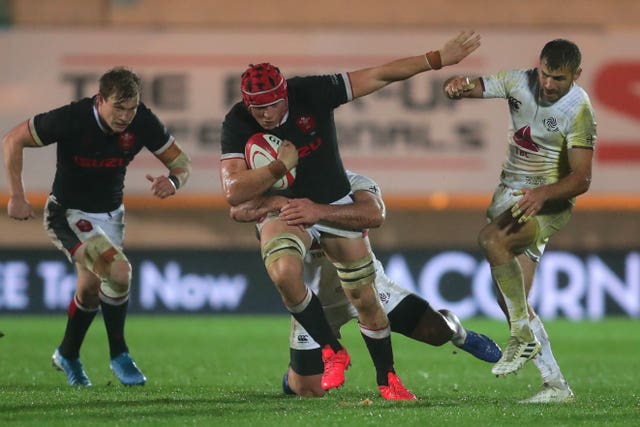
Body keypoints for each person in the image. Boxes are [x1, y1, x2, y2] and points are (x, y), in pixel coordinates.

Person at [220, 31, 481, 400]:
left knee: (426, 328)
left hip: (336, 239)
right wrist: (278, 171)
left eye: (273, 105)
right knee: (306, 386)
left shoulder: (319, 108)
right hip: (313, 288)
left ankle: (445, 339)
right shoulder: (238, 124)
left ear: (286, 95)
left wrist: (436, 58)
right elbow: (235, 198)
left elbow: (378, 75)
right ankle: (330, 351)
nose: (266, 115)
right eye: (256, 108)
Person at [230, 170, 502, 397]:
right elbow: (239, 209)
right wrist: (279, 203)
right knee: (308, 389)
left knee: (437, 333)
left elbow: (374, 214)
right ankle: (294, 377)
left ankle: (460, 334)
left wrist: (317, 211)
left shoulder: (351, 183)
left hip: (368, 285)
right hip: (316, 302)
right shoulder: (281, 196)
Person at [2, 66, 192, 386]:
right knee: (119, 271)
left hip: (111, 216)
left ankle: (67, 354)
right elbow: (12, 139)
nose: (125, 117)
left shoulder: (142, 121)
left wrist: (172, 181)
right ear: (100, 99)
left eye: (131, 109)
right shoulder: (72, 118)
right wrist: (17, 195)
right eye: (119, 107)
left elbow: (181, 164)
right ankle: (120, 353)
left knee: (90, 290)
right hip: (68, 214)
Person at [443, 39, 596, 403]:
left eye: (558, 78)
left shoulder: (579, 109)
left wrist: (543, 194)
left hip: (547, 204)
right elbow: (477, 86)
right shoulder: (519, 81)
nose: (548, 84)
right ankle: (556, 385)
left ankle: (521, 337)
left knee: (491, 241)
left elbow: (582, 178)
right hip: (512, 197)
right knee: (511, 298)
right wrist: (458, 88)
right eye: (544, 74)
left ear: (576, 74)